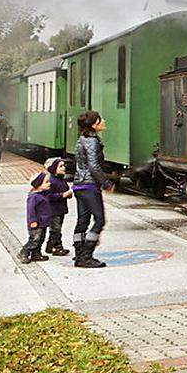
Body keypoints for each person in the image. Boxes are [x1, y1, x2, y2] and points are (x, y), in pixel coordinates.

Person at [72, 111, 112, 268]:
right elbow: (94, 166)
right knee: (99, 220)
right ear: (94, 124)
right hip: (89, 185)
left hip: (78, 184)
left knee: (82, 221)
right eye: (101, 120)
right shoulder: (92, 141)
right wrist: (106, 183)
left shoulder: (82, 138)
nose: (104, 121)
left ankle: (79, 253)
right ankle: (86, 256)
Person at [20, 172, 54, 264]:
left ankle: (36, 254)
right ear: (38, 185)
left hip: (43, 223)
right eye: (46, 182)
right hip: (36, 223)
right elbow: (30, 210)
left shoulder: (43, 194)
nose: (49, 183)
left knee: (40, 239)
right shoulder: (34, 197)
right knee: (34, 239)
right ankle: (24, 252)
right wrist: (33, 220)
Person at [44, 157, 73, 256]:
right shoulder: (51, 181)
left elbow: (66, 190)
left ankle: (49, 246)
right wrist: (62, 195)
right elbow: (48, 196)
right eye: (60, 166)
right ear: (53, 169)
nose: (64, 168)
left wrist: (68, 195)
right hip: (53, 211)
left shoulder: (62, 180)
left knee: (56, 229)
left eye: (64, 166)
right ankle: (57, 247)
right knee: (56, 230)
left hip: (61, 210)